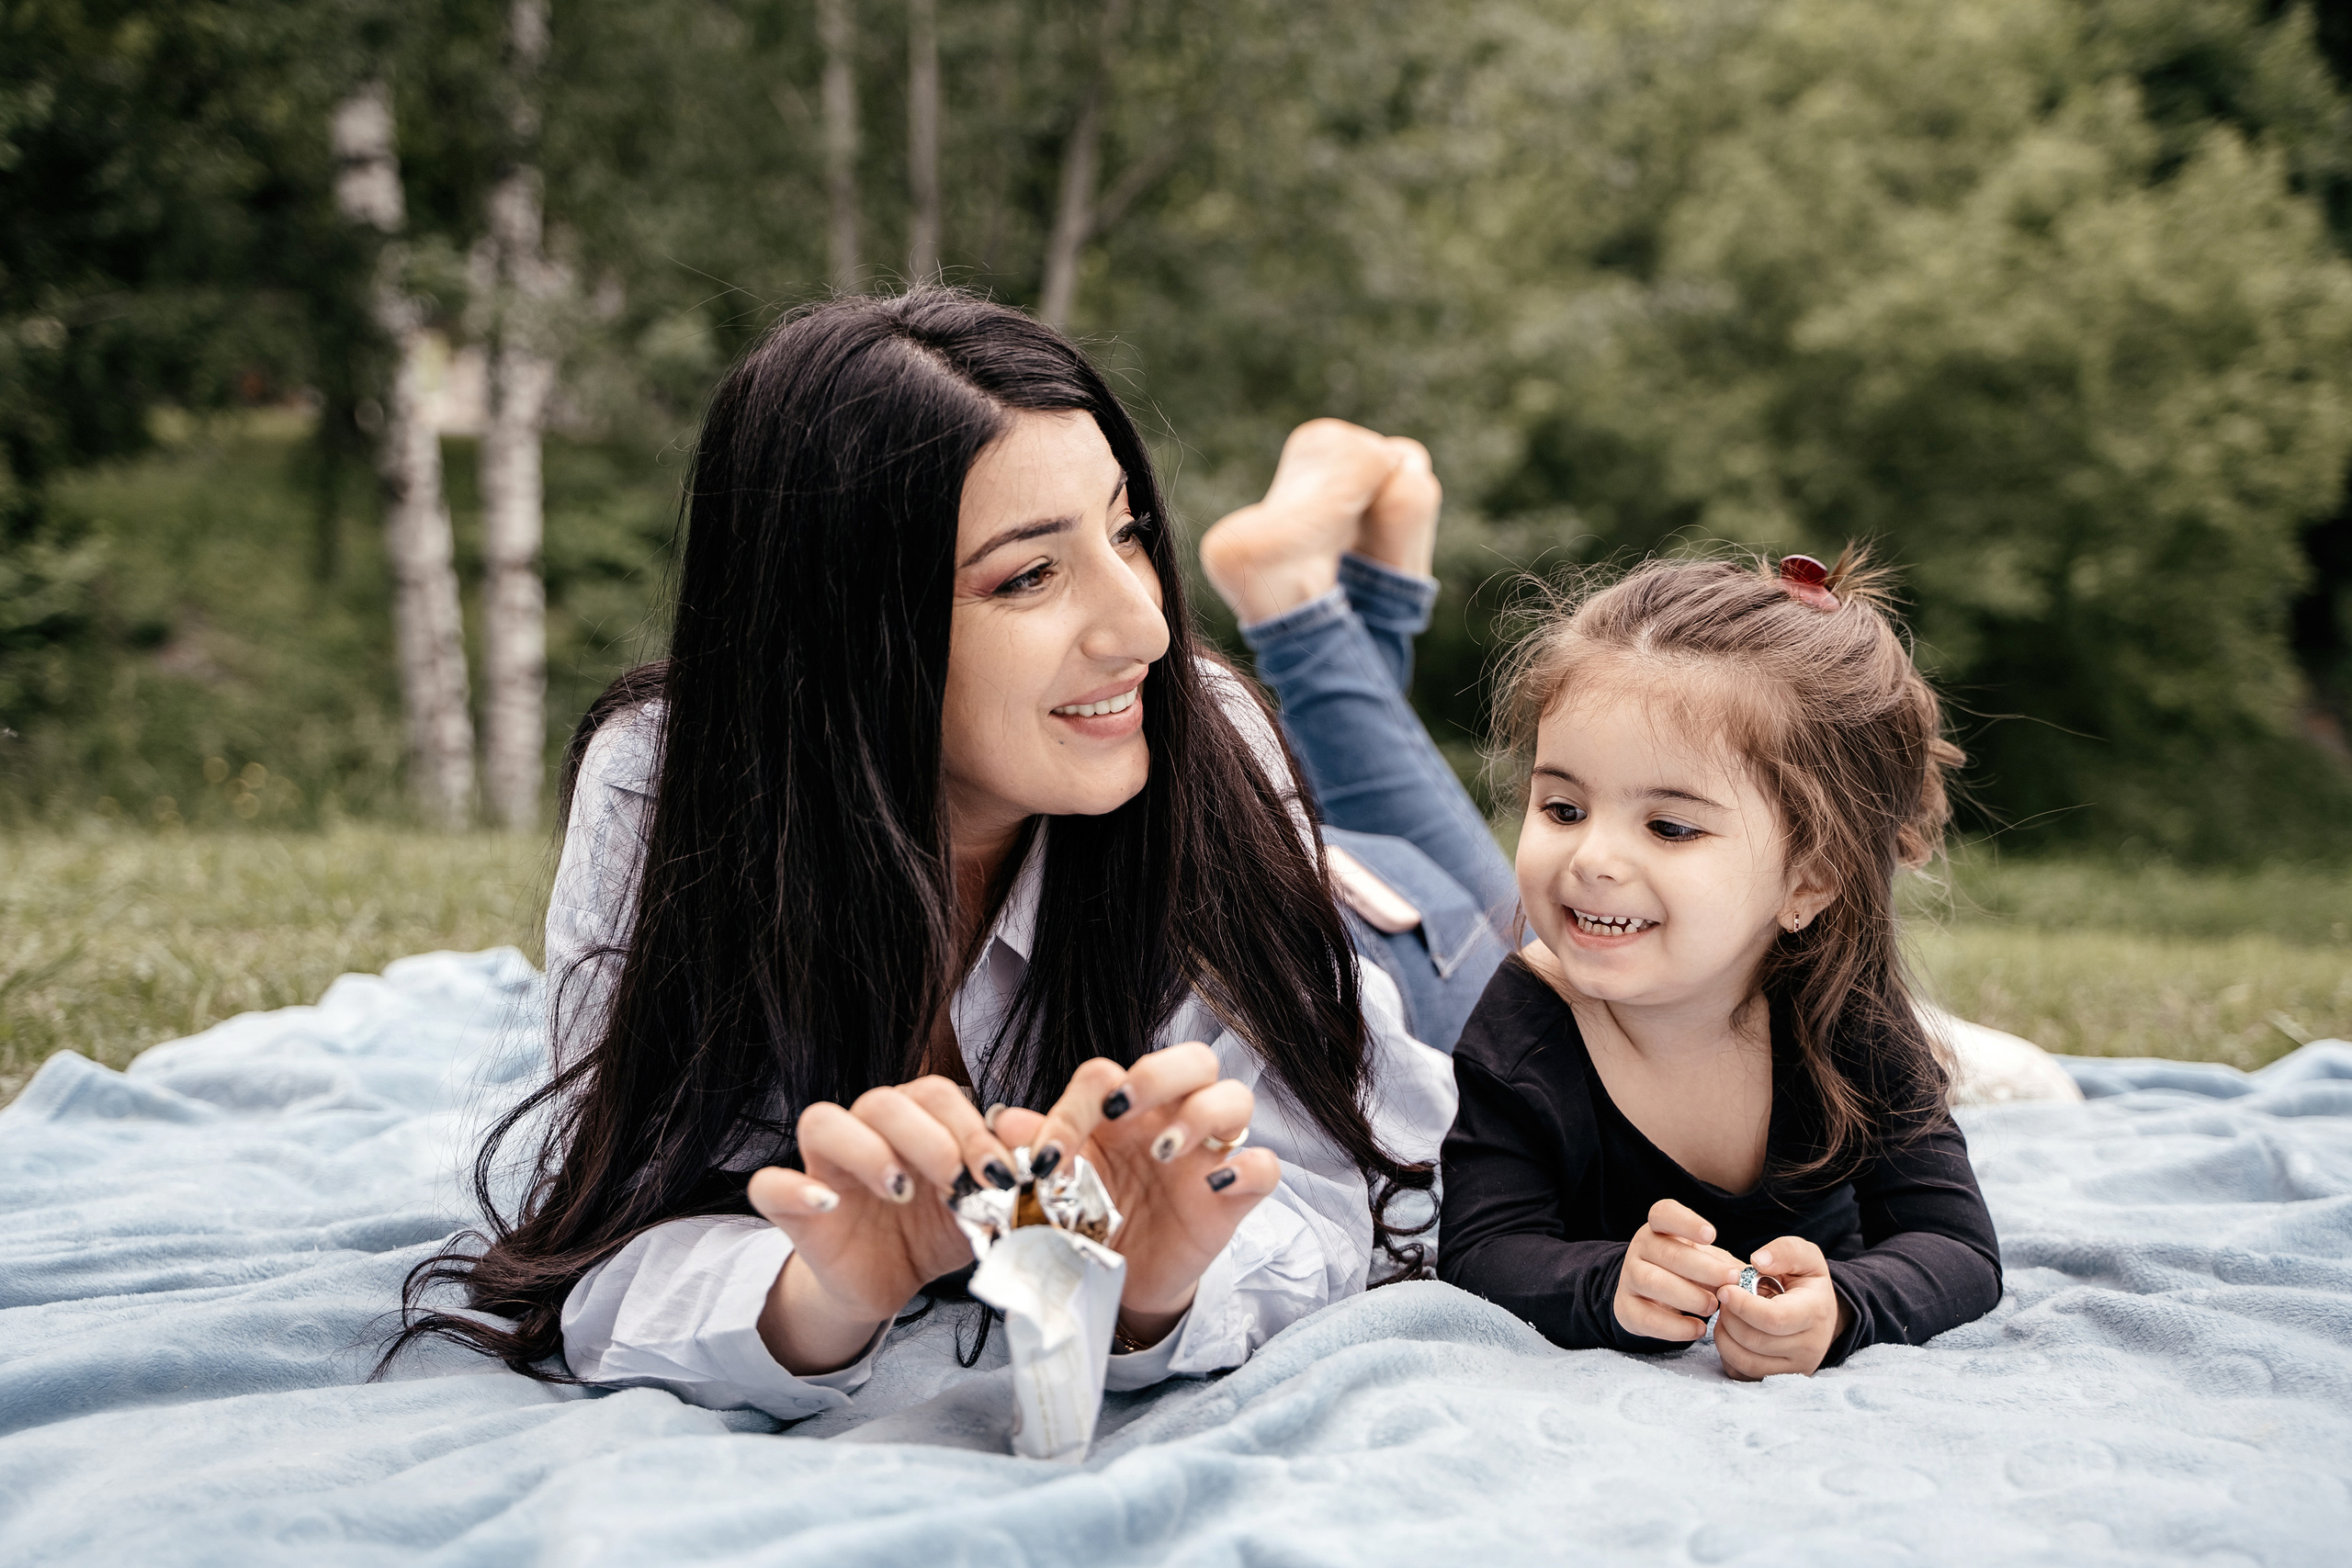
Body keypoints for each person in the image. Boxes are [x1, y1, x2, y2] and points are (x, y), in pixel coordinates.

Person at [384, 291, 1457, 1419]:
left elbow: (1344, 1197)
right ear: (843, 625)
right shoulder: (666, 788)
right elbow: (610, 1231)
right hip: (1284, 844)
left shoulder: (1202, 721)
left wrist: (1155, 1292)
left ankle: (1320, 587)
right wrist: (823, 1291)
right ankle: (1341, 589)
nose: (1145, 623)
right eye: (1027, 575)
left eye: (1128, 530)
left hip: (1420, 953)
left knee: (1503, 854)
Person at [1434, 551, 2003, 1379]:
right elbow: (1484, 1248)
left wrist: (1846, 1304)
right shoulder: (1528, 1025)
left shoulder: (1846, 1016)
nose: (1591, 856)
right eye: (1563, 807)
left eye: (1669, 827)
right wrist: (1607, 1287)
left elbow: (1955, 1247)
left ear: (1806, 879)